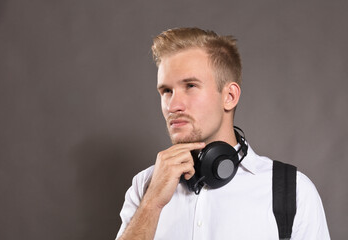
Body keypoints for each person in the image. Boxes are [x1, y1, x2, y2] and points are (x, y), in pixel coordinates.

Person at [116, 27, 330, 240]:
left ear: (229, 96)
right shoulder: (145, 186)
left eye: (190, 85)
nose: (173, 106)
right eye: (166, 91)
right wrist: (152, 204)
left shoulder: (294, 191)